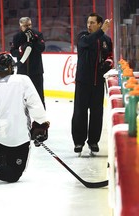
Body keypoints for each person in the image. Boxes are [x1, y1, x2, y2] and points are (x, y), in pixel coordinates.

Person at [0, 53, 50, 187]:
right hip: (18, 138)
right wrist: (42, 123)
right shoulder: (22, 80)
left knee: (4, 167)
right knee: (14, 175)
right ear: (10, 67)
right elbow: (35, 104)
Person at [71, 13, 113, 155]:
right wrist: (101, 31)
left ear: (99, 23)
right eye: (88, 22)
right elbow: (88, 42)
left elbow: (110, 56)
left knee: (96, 114)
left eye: (93, 23)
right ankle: (78, 142)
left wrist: (108, 63)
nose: (89, 25)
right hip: (83, 82)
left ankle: (93, 141)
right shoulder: (83, 37)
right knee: (79, 113)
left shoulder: (106, 39)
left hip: (98, 82)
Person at [10, 17, 46, 109]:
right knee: (22, 96)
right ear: (20, 26)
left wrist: (34, 41)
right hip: (22, 72)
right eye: (25, 26)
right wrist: (21, 50)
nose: (28, 27)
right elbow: (13, 52)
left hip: (36, 71)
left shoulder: (38, 34)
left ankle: (41, 119)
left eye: (29, 25)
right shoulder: (17, 37)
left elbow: (41, 48)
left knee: (39, 95)